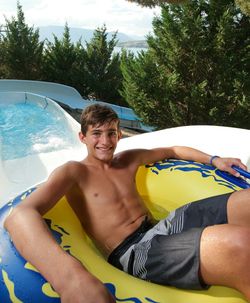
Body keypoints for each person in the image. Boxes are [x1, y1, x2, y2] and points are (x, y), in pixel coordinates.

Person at [4, 104, 250, 303]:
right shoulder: (73, 172)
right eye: (96, 133)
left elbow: (173, 150)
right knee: (240, 243)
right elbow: (21, 214)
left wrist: (215, 159)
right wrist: (70, 278)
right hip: (133, 251)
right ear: (82, 137)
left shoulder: (128, 160)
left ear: (119, 135)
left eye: (111, 132)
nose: (105, 140)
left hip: (161, 227)